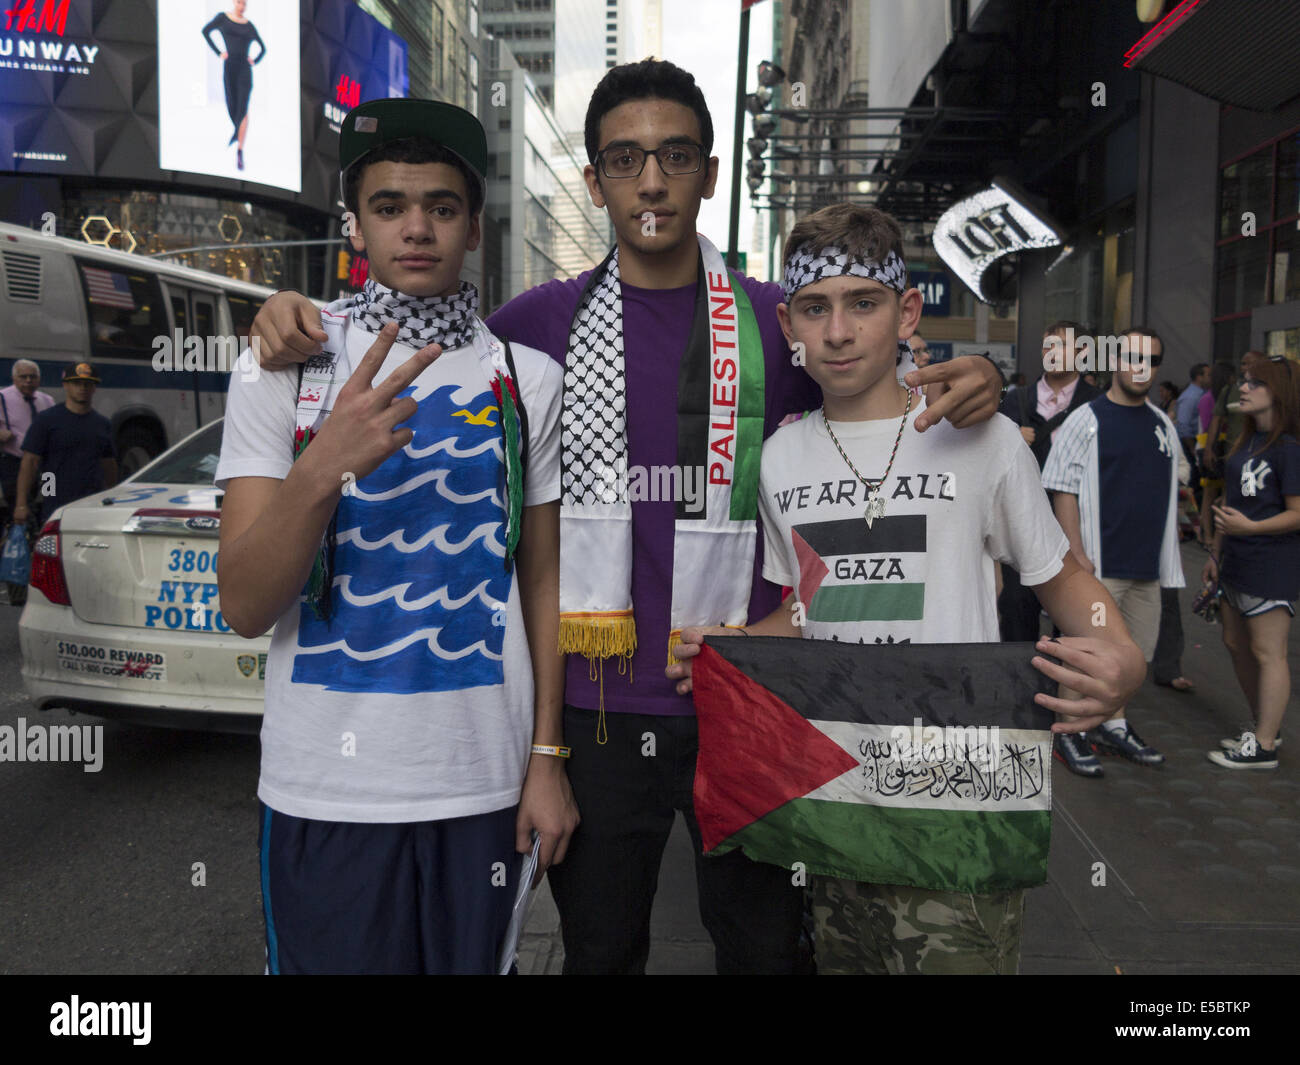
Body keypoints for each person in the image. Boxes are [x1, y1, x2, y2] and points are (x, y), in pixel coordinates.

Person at [244, 60, 1005, 975]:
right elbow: (410, 328)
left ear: (711, 173)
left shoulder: (782, 321)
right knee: (600, 953)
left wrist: (976, 381)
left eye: (675, 156)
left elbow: (881, 383)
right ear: (596, 178)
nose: (652, 181)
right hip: (598, 716)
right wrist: (284, 318)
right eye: (626, 159)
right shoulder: (530, 328)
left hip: (752, 696)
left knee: (768, 953)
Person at [667, 202, 1145, 974]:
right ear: (788, 322)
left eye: (864, 302)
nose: (839, 331)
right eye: (816, 309)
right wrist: (732, 650)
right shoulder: (782, 460)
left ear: (907, 309)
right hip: (840, 797)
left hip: (959, 796)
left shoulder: (981, 438)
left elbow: (1062, 576)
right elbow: (809, 605)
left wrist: (1124, 655)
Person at [215, 97, 578, 974]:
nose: (416, 229)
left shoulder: (529, 380)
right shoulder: (284, 366)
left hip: (481, 786)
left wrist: (547, 760)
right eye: (389, 207)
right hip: (326, 791)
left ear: (474, 226)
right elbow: (244, 605)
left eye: (441, 208)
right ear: (357, 224)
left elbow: (539, 581)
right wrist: (320, 466)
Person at [1042, 328, 1184, 776]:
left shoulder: (1162, 423)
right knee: (1086, 653)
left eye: (1152, 358)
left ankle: (1113, 725)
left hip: (1148, 568)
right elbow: (1061, 487)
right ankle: (1071, 731)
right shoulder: (1086, 419)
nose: (1142, 365)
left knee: (1133, 658)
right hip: (1100, 567)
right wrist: (1078, 557)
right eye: (1133, 355)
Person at [1203, 356, 1300, 769]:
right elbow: (1232, 504)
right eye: (1243, 381)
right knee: (1234, 644)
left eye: (1254, 383)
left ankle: (1264, 745)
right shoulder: (1245, 442)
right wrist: (1216, 551)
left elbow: (1298, 512)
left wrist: (1250, 530)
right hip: (1234, 562)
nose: (1242, 389)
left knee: (1268, 651)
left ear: (1276, 392)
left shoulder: (1290, 450)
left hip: (1271, 565)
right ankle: (1265, 726)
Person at [996, 322, 1101, 642]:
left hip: (1078, 522)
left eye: (1063, 346)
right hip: (1022, 516)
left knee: (1075, 607)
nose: (1053, 353)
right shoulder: (1015, 401)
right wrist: (1011, 438)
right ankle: (1019, 679)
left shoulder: (1097, 404)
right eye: (1047, 346)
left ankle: (1066, 680)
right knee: (1017, 604)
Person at [15, 363, 116, 530]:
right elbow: (30, 461)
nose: (82, 388)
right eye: (76, 383)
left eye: (87, 384)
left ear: (94, 388)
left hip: (91, 502)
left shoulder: (102, 424)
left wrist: (112, 495)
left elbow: (109, 463)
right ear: (65, 385)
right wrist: (21, 504)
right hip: (55, 500)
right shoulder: (47, 420)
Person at [1, 359, 55, 605]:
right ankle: (20, 577)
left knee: (49, 505)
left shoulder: (46, 400)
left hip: (45, 467)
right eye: (23, 377)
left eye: (32, 377)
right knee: (20, 513)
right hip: (16, 465)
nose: (28, 381)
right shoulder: (2, 398)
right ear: (14, 378)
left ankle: (46, 564)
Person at [202, 0, 266, 172]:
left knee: (243, 108)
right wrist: (219, 52)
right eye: (239, 2)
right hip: (230, 68)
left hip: (244, 71)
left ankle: (240, 151)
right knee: (233, 106)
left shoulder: (249, 26)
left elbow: (262, 48)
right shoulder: (223, 18)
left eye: (244, 3)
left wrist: (255, 60)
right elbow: (206, 31)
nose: (241, 6)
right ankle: (235, 135)